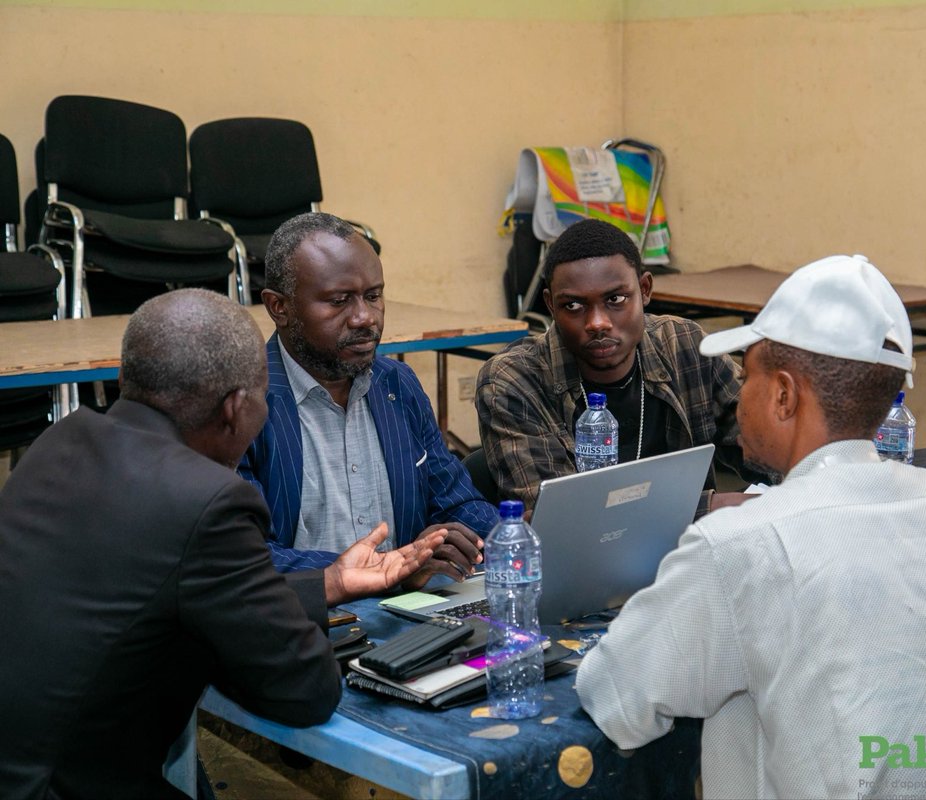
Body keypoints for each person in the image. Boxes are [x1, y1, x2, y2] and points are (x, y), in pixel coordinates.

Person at [575, 255, 926, 799]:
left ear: (783, 395)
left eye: (746, 377)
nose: (739, 396)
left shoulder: (739, 543)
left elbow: (616, 697)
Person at [0, 289, 440, 800]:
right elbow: (305, 691)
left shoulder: (60, 442)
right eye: (263, 400)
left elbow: (159, 590)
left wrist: (329, 582)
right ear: (234, 409)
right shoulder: (208, 501)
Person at [239, 212, 495, 583]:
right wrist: (386, 570)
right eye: (338, 301)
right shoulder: (241, 403)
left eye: (373, 296)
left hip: (410, 604)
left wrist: (504, 538)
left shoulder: (397, 384)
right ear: (279, 307)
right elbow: (243, 556)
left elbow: (456, 501)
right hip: (305, 612)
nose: (365, 317)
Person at [475, 218, 764, 511]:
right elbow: (561, 516)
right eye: (573, 305)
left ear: (645, 289)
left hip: (695, 540)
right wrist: (712, 506)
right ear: (551, 305)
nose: (597, 323)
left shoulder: (685, 345)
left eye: (615, 299)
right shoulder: (515, 380)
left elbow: (768, 444)